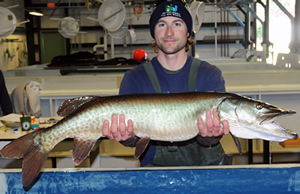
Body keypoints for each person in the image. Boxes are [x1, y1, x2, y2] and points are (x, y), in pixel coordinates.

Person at [102, 0, 230, 166]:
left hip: (205, 171)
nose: (169, 32)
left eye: (177, 24)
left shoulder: (210, 74)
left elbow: (210, 140)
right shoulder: (134, 78)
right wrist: (126, 138)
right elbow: (132, 141)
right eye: (162, 24)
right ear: (154, 32)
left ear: (188, 32)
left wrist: (211, 136)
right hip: (154, 173)